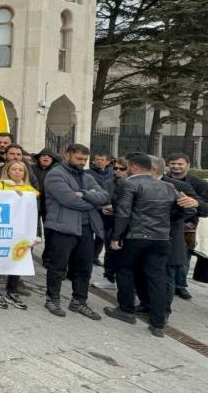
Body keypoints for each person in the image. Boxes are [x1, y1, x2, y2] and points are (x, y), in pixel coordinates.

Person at [103, 153, 193, 338]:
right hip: (161, 239)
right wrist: (170, 218)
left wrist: (116, 237)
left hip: (135, 236)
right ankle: (158, 323)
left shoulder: (130, 184)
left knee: (126, 271)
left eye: (127, 167)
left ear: (134, 168)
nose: (125, 170)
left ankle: (126, 310)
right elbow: (189, 208)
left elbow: (123, 213)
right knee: (158, 278)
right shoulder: (168, 186)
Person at [42, 143, 109, 319]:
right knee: (58, 266)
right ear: (67, 155)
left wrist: (85, 194)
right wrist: (92, 199)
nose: (82, 162)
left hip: (87, 228)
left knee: (84, 267)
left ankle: (79, 301)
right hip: (62, 227)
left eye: (85, 160)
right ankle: (52, 298)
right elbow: (70, 200)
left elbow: (104, 196)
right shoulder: (55, 174)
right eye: (79, 158)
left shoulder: (86, 176)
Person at [0, 160, 39, 310]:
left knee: (17, 259)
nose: (17, 172)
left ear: (25, 173)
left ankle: (12, 290)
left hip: (20, 231)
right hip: (2, 229)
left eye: (20, 170)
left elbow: (34, 196)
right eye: (14, 169)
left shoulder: (28, 188)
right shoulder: (1, 184)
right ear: (8, 171)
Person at [164, 153, 208, 300]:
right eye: (173, 163)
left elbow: (202, 204)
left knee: (184, 258)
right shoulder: (162, 180)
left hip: (189, 226)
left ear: (188, 165)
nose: (176, 166)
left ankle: (181, 285)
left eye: (180, 164)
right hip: (170, 226)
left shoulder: (198, 183)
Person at [92, 157, 128, 291]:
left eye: (122, 169)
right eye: (115, 168)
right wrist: (104, 207)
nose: (118, 171)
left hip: (126, 223)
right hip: (109, 222)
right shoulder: (108, 182)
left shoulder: (132, 183)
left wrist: (116, 208)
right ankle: (108, 277)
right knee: (109, 251)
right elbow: (102, 198)